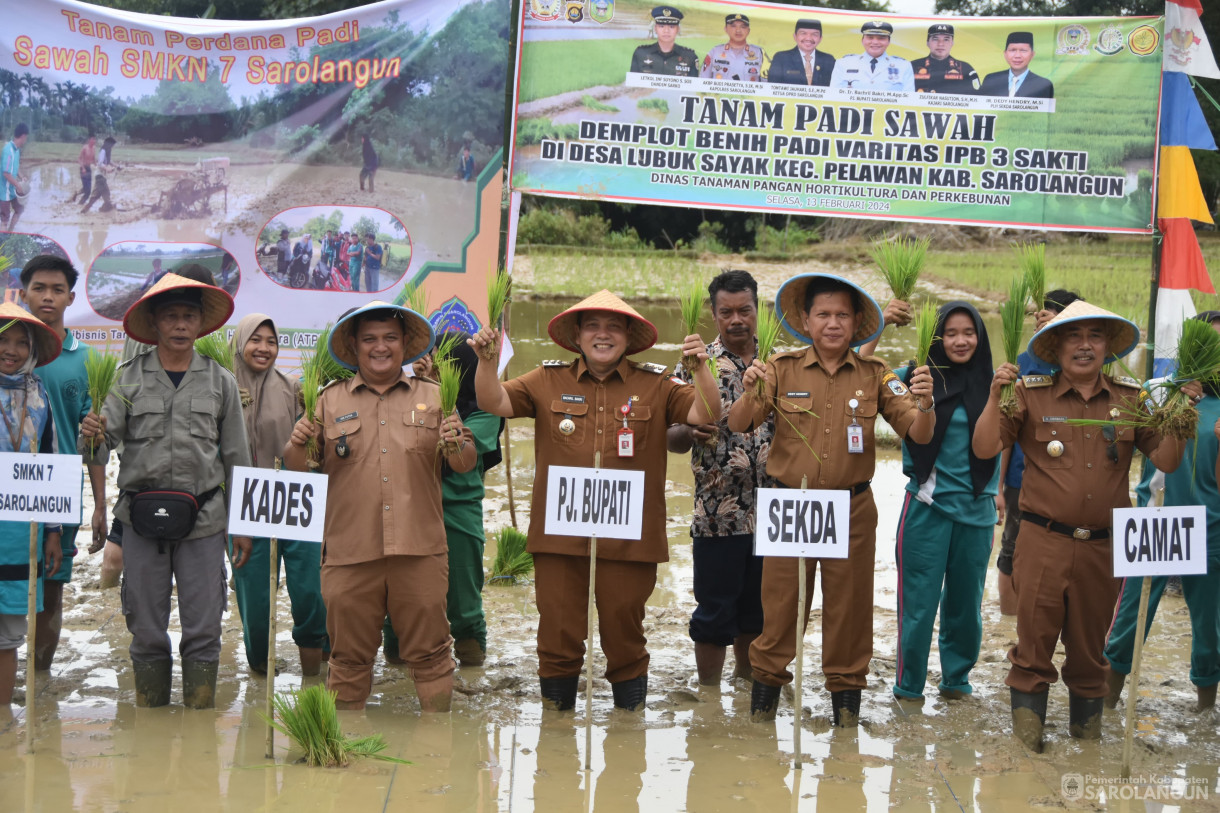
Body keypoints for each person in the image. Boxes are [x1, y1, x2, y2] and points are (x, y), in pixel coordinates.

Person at [469, 290, 720, 712]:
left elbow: (705, 413)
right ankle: (557, 726)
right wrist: (488, 362)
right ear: (578, 335)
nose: (602, 335)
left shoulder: (656, 383)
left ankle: (628, 720)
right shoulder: (546, 380)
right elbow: (492, 401)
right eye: (592, 326)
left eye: (613, 327)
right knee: (558, 632)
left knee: (625, 631)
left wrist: (702, 369)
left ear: (628, 336)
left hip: (629, 537)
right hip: (560, 535)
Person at [972, 301, 1184, 751]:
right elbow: (986, 446)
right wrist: (995, 396)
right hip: (1042, 541)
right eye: (1074, 336)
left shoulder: (1133, 397)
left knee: (1091, 655)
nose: (1085, 345)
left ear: (1107, 346)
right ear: (1057, 345)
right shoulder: (1030, 391)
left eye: (1095, 336)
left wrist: (1180, 415)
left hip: (1103, 548)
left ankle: (1086, 750)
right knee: (1032, 650)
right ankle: (1029, 752)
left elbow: (1165, 459)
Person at [727, 273, 934, 726]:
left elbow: (917, 434)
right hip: (792, 507)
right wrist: (749, 388)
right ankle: (763, 709)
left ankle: (845, 713)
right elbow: (740, 423)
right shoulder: (780, 368)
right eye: (823, 314)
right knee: (781, 606)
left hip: (853, 508)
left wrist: (926, 403)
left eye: (842, 314)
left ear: (857, 321)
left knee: (849, 609)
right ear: (806, 318)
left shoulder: (877, 375)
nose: (833, 323)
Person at [285, 302, 475, 711]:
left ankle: (437, 750)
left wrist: (457, 438)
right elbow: (298, 467)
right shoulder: (327, 402)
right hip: (350, 554)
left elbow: (463, 464)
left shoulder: (437, 396)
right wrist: (298, 439)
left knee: (431, 655)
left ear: (405, 343)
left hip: (420, 550)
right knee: (348, 660)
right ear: (354, 346)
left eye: (390, 337)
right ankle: (345, 757)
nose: (380, 347)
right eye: (369, 339)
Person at [79, 273, 253, 709]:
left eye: (188, 316)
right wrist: (92, 435)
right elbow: (100, 450)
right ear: (155, 324)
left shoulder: (220, 382)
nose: (180, 325)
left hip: (206, 521)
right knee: (145, 625)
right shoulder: (127, 381)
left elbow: (237, 458)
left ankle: (199, 718)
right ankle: (150, 713)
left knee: (204, 625)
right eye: (171, 316)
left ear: (200, 325)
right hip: (140, 522)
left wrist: (244, 528)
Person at [1104, 311, 1220, 714]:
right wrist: (1176, 399)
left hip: (1210, 527)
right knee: (1130, 619)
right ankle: (1106, 703)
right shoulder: (1156, 391)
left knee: (1210, 626)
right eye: (1206, 343)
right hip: (1155, 521)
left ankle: (1205, 709)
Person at [885, 303, 999, 702]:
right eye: (950, 333)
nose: (960, 340)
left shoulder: (997, 385)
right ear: (936, 338)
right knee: (917, 607)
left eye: (968, 332)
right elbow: (865, 378)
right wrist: (880, 323)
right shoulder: (914, 378)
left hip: (977, 512)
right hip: (926, 509)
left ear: (980, 336)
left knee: (966, 610)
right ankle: (908, 687)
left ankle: (956, 682)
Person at [666, 270, 772, 686]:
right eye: (726, 312)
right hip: (716, 510)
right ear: (713, 314)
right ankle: (709, 692)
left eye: (744, 310)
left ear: (757, 310)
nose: (736, 320)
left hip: (773, 511)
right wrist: (689, 431)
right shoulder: (694, 362)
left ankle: (746, 681)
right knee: (713, 608)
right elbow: (670, 437)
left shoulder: (778, 360)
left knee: (758, 609)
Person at [384, 334, 504, 668]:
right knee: (400, 596)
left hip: (457, 512)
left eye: (446, 363)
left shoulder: (484, 412)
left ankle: (471, 661)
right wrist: (418, 386)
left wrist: (437, 396)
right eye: (432, 358)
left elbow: (454, 444)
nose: (437, 368)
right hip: (412, 511)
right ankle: (395, 664)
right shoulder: (410, 397)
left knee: (463, 598)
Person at [19, 255, 107, 672]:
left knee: (50, 589)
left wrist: (101, 506)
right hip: (9, 486)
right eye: (39, 288)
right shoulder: (8, 350)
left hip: (60, 488)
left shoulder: (84, 359)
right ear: (23, 294)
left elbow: (94, 441)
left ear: (71, 297)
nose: (48, 297)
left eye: (57, 290)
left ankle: (40, 680)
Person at [229, 313, 327, 678]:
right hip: (246, 501)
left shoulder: (293, 389)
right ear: (240, 344)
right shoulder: (221, 388)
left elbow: (313, 451)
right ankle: (259, 668)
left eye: (271, 341)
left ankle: (313, 675)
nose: (264, 348)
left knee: (310, 591)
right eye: (255, 340)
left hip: (294, 497)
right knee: (255, 598)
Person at [996, 290, 1081, 614]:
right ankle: (1009, 617)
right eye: (1039, 316)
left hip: (1071, 477)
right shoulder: (1021, 363)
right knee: (1013, 546)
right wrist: (999, 487)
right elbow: (1004, 432)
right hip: (1023, 476)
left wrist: (1060, 338)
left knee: (1064, 548)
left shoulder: (1080, 362)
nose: (1040, 322)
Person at [0, 302, 63, 706]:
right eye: (3, 339)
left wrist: (53, 532)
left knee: (7, 631)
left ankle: (3, 720)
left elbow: (52, 465)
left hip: (18, 532)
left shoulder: (39, 396)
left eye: (22, 342)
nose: (12, 349)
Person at [829, 21, 915, 92]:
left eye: (881, 38)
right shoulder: (844, 64)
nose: (875, 42)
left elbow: (909, 100)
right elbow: (834, 96)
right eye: (870, 37)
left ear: (888, 42)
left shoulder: (903, 66)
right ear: (862, 40)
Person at [979, 32, 1054, 99]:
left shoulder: (1043, 85)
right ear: (1005, 54)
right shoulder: (991, 80)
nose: (1017, 55)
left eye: (1023, 50)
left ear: (1032, 54)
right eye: (1013, 50)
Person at [629, 6, 699, 77]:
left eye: (671, 27)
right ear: (655, 29)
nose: (666, 31)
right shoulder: (641, 53)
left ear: (678, 29)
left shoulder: (690, 57)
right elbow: (632, 85)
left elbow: (694, 87)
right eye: (661, 26)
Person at [911, 24, 979, 94]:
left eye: (946, 39)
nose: (940, 44)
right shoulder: (911, 67)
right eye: (935, 39)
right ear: (927, 43)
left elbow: (976, 98)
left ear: (952, 43)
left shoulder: (965, 69)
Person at [767, 19, 835, 88]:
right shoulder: (781, 58)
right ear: (795, 36)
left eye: (814, 34)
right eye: (803, 33)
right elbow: (772, 88)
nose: (808, 38)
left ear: (820, 38)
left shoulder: (829, 60)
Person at [700, 13, 766, 82]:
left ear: (748, 30)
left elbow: (767, 84)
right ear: (726, 29)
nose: (738, 30)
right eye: (733, 26)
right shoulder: (715, 52)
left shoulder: (759, 53)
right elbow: (703, 80)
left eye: (743, 27)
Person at [1, 123, 29, 232]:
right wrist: (18, 185)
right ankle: (2, 243)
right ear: (22, 137)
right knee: (4, 219)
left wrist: (22, 177)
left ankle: (10, 233)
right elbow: (6, 173)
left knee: (19, 209)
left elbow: (14, 168)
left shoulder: (16, 150)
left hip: (12, 189)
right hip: (4, 191)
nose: (25, 140)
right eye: (26, 138)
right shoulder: (8, 150)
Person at [74, 135, 96, 204]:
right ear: (89, 140)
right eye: (92, 140)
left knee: (88, 188)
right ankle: (80, 204)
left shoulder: (94, 148)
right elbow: (79, 159)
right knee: (88, 191)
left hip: (89, 169)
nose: (94, 141)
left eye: (94, 140)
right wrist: (83, 168)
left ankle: (76, 194)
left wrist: (96, 164)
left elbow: (93, 159)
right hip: (83, 169)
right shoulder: (85, 148)